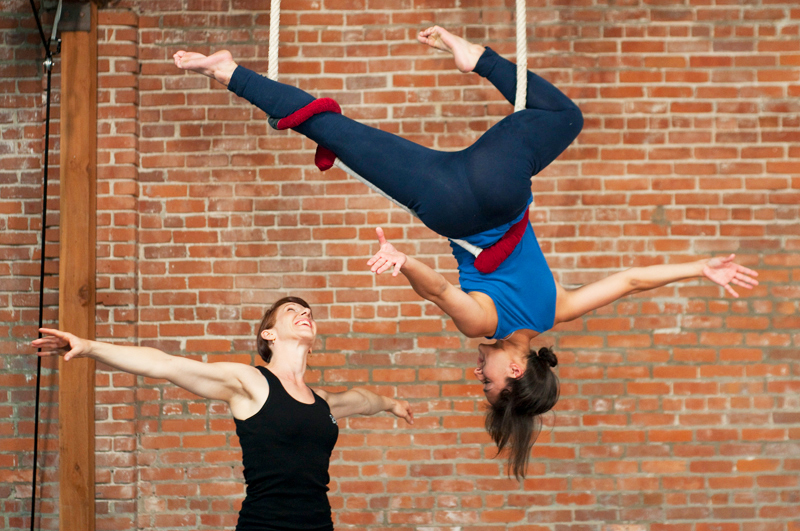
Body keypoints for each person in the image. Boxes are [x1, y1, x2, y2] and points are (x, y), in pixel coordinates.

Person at [172, 27, 759, 478]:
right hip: (449, 202)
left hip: (500, 185)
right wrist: (404, 264)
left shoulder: (559, 309)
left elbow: (631, 280)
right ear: (517, 369)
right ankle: (228, 72)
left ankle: (474, 58)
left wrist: (698, 267)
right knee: (334, 131)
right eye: (490, 383)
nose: (478, 373)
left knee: (562, 116)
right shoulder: (486, 323)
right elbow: (440, 290)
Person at [32, 297, 413, 531]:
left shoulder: (323, 401)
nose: (304, 313)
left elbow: (363, 400)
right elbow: (166, 364)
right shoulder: (249, 382)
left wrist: (393, 405)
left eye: (308, 312)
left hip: (318, 525)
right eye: (292, 311)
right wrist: (88, 347)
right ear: (269, 335)